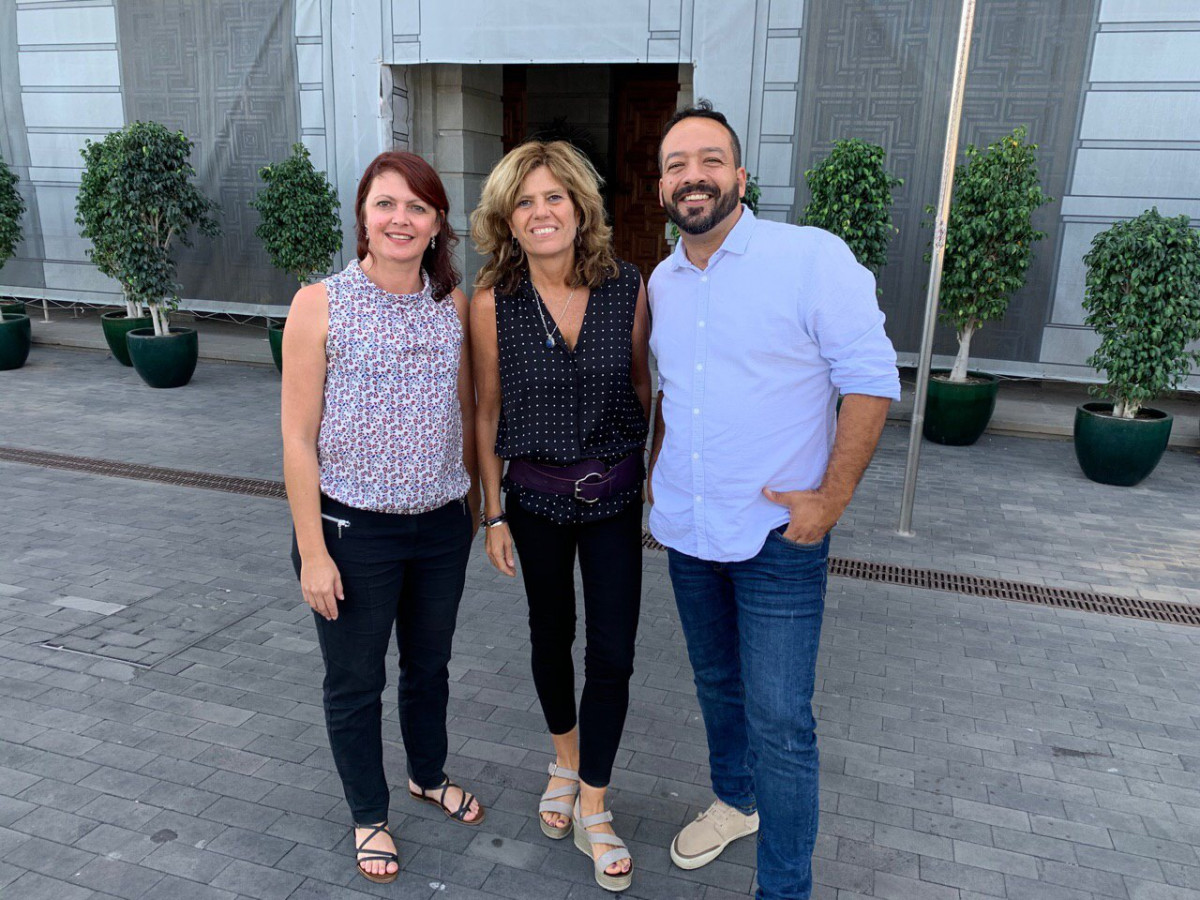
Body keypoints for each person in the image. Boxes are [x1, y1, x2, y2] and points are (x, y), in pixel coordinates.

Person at [647, 102, 901, 900]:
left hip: (777, 541)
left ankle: (783, 889)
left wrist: (831, 498)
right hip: (689, 531)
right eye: (677, 164)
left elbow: (871, 378)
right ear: (661, 186)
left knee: (783, 722)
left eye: (710, 159)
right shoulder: (662, 279)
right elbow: (668, 397)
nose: (694, 175)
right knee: (716, 684)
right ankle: (735, 801)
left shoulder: (809, 257)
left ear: (741, 177)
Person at [281, 151, 485, 886]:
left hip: (438, 526)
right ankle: (369, 814)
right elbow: (297, 438)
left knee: (429, 666)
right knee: (356, 680)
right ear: (364, 216)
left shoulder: (451, 303)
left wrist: (479, 511)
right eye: (386, 205)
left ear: (437, 225)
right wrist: (312, 551)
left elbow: (465, 410)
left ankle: (427, 774)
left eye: (418, 208)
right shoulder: (320, 303)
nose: (401, 219)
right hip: (350, 531)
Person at [470, 140, 651, 893]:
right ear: (507, 221)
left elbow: (647, 390)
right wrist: (491, 516)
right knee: (553, 639)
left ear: (580, 207)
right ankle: (565, 763)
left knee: (613, 654)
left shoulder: (629, 286)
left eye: (554, 197)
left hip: (612, 499)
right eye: (524, 202)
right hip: (534, 500)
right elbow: (483, 413)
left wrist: (654, 486)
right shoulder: (491, 301)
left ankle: (595, 803)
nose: (541, 212)